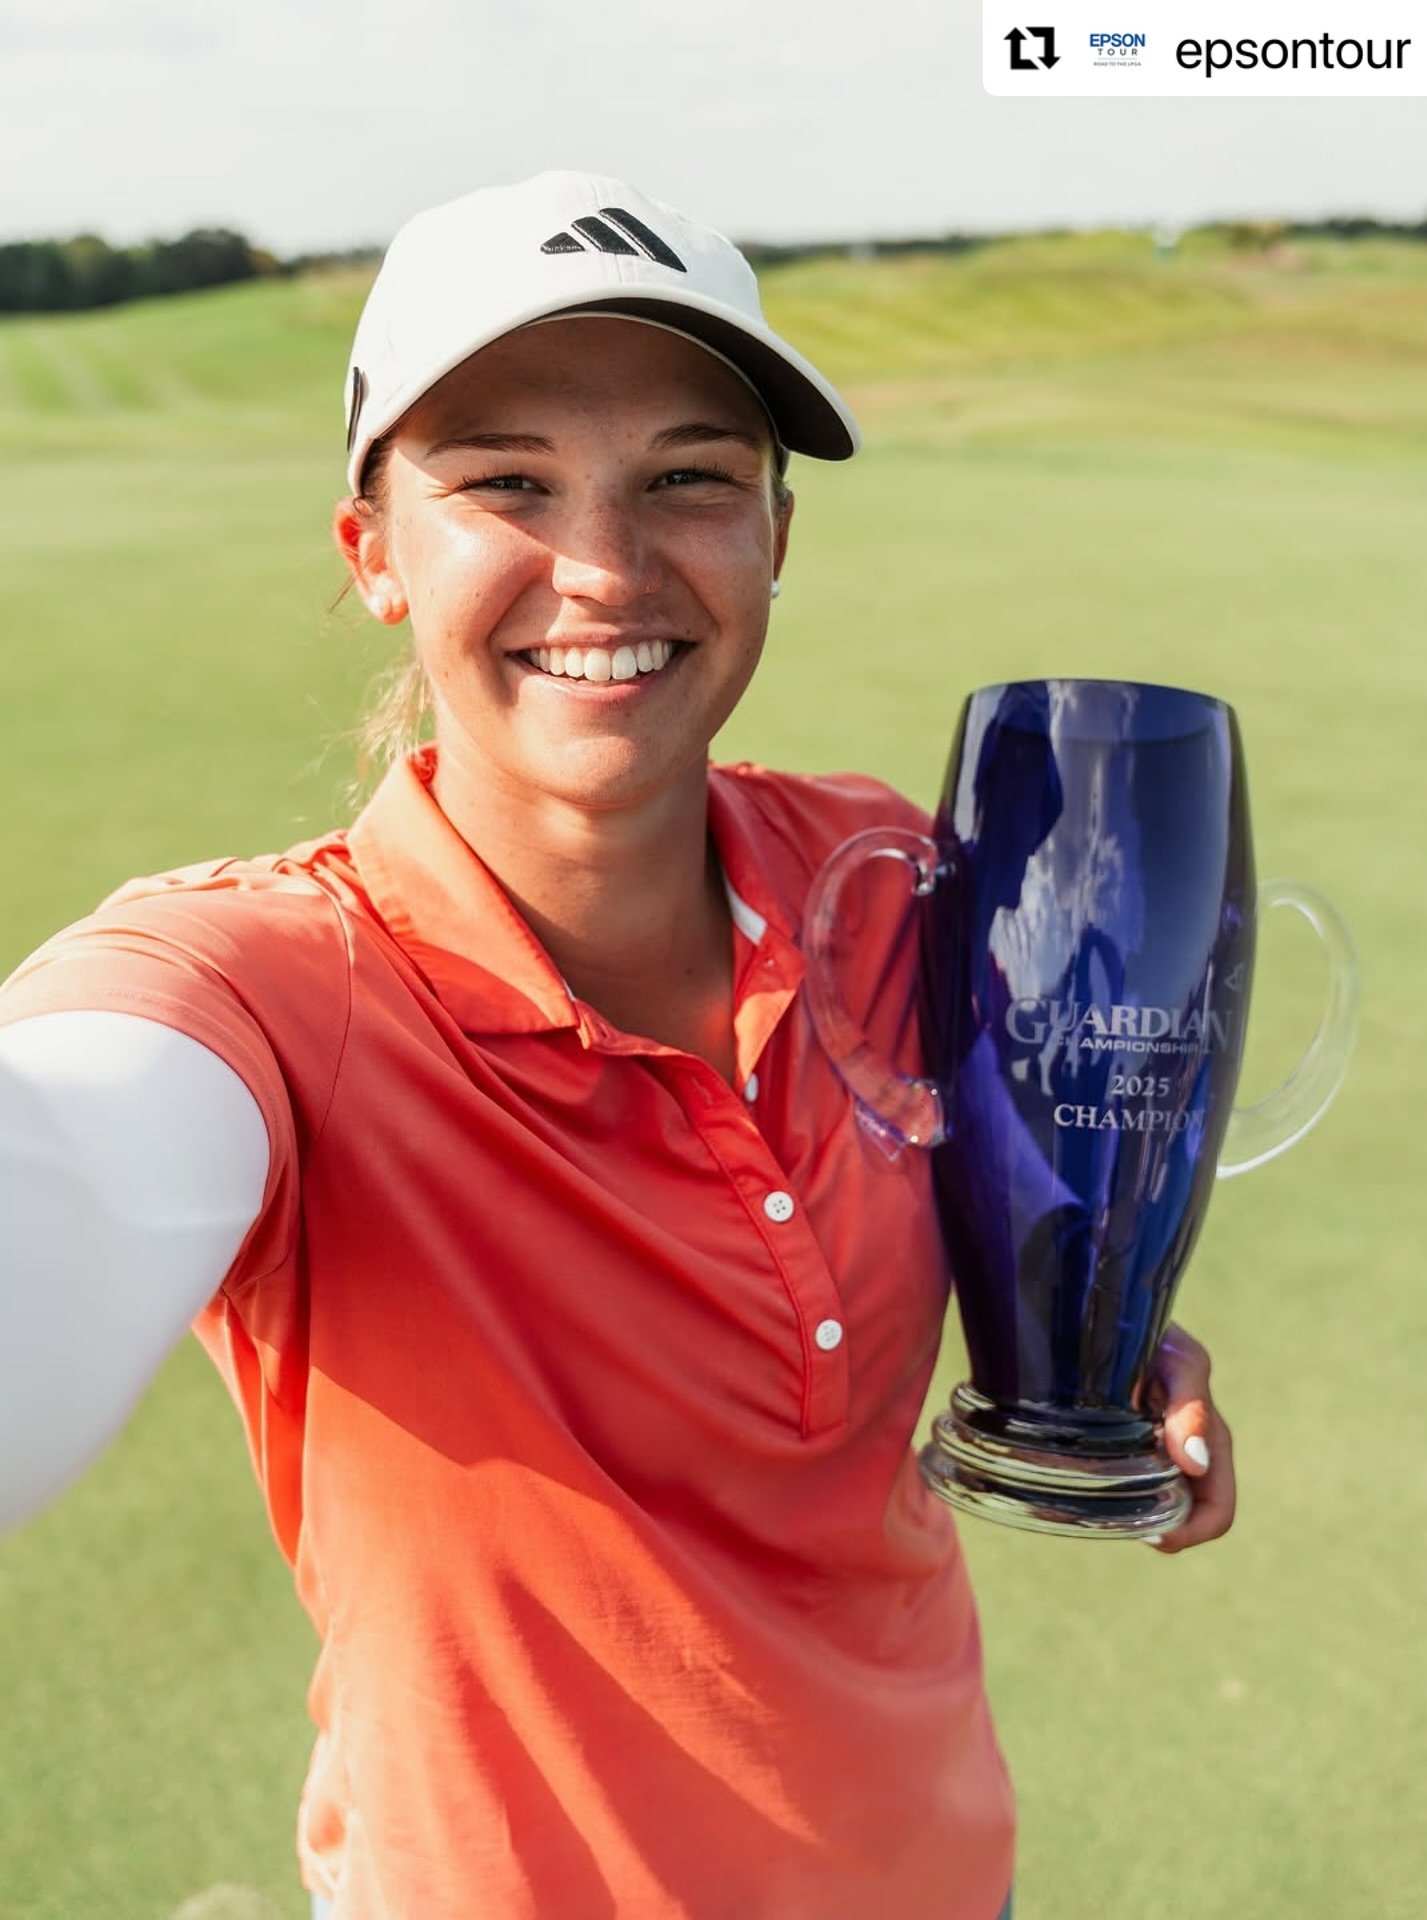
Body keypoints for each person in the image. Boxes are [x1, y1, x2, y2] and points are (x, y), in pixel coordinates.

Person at [0, 170, 1234, 1920]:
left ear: (776, 538)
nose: (604, 563)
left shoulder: (887, 880)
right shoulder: (263, 983)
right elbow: (71, 1145)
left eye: (690, 480)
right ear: (373, 553)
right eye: (506, 480)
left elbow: (953, 1209)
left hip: (944, 1876)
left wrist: (1094, 1320)